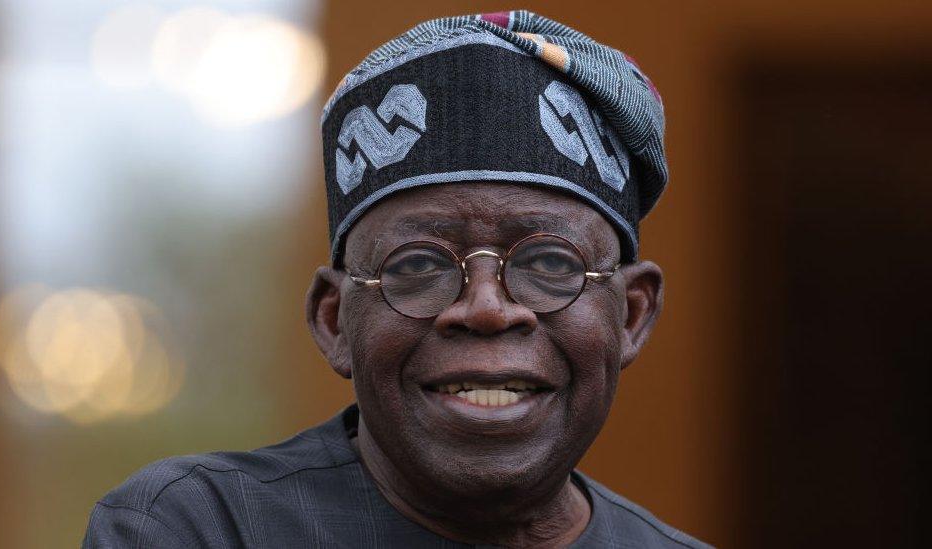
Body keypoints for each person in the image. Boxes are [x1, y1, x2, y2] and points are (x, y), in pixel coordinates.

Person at [83, 11, 710, 548]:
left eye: (550, 264)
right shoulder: (201, 529)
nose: (487, 309)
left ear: (630, 314)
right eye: (419, 265)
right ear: (334, 320)